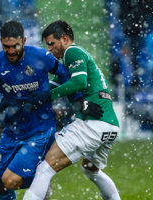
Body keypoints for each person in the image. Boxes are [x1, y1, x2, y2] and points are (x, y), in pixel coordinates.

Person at [0, 20, 75, 200]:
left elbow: (66, 75)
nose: (11, 51)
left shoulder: (41, 57)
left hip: (40, 130)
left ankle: (41, 184)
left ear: (25, 40)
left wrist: (77, 101)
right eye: (6, 46)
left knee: (10, 180)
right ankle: (40, 184)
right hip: (12, 131)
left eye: (15, 46)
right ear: (0, 42)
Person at [23, 20, 121, 200]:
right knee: (90, 170)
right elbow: (51, 86)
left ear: (65, 39)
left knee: (44, 168)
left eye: (52, 44)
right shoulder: (72, 61)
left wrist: (47, 97)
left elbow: (79, 82)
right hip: (110, 127)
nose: (50, 50)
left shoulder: (72, 52)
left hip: (92, 125)